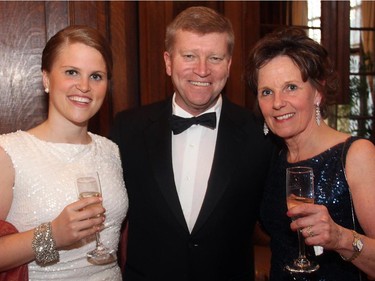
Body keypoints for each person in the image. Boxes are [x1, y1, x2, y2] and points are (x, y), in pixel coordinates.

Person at [110, 5, 276, 281]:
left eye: (214, 58)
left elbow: (277, 223)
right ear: (168, 62)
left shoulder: (261, 133)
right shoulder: (127, 129)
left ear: (229, 64)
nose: (202, 70)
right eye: (189, 56)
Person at [245, 26, 375, 281]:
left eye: (291, 87)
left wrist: (341, 238)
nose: (278, 103)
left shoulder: (356, 155)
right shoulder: (271, 159)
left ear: (318, 92)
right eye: (267, 92)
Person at [0, 25, 128, 280]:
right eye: (72, 72)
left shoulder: (111, 150)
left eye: (96, 76)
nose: (84, 86)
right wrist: (52, 235)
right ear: (46, 79)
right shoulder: (9, 153)